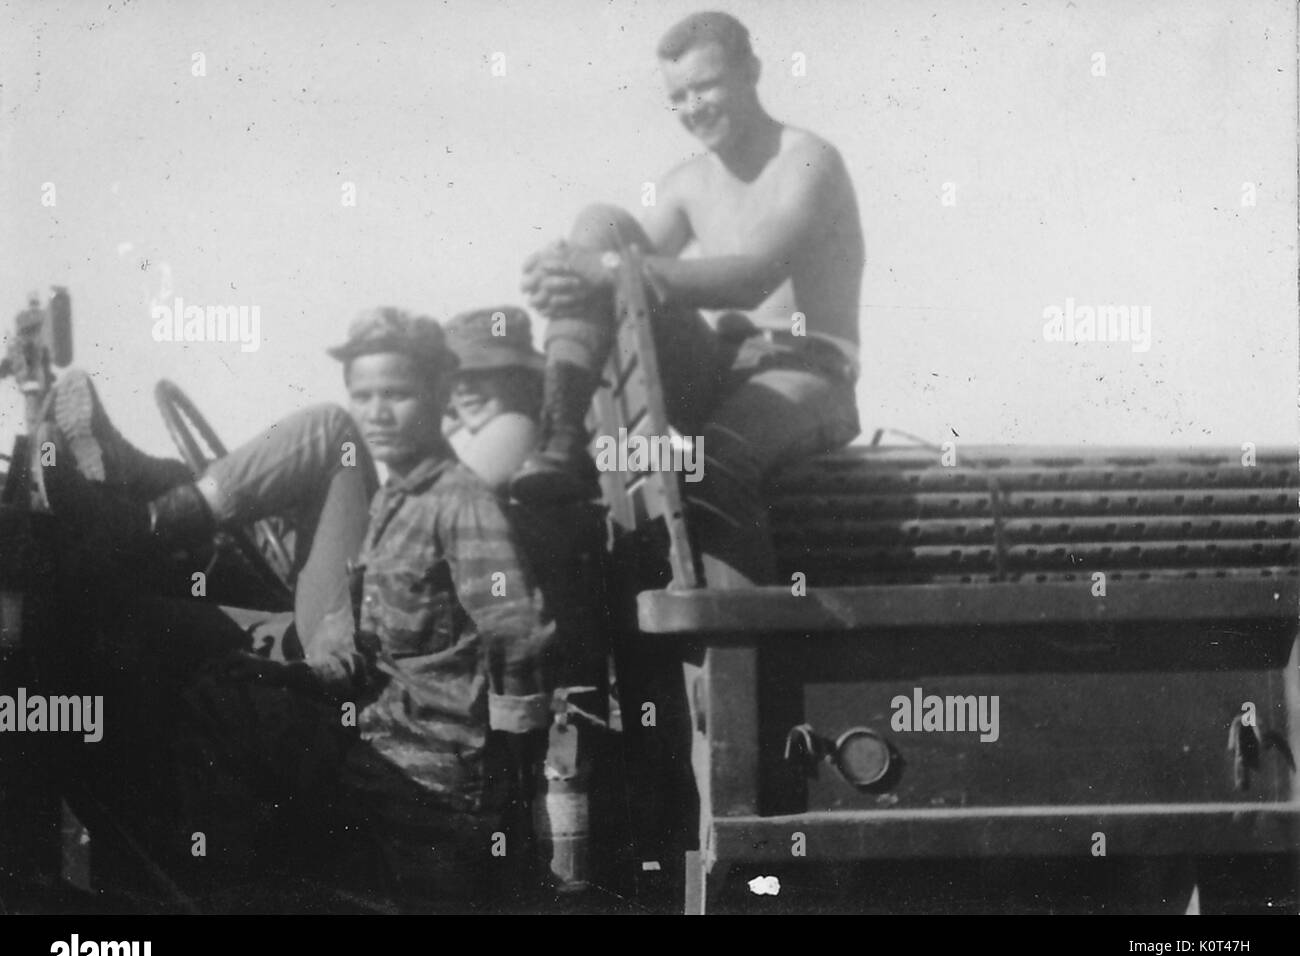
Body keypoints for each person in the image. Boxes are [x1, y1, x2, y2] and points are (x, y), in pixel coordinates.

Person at [40, 308, 559, 910]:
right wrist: (304, 671)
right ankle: (133, 509)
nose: (378, 411)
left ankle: (203, 882)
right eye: (365, 394)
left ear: (437, 391)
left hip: (412, 767)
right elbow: (381, 642)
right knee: (158, 620)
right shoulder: (399, 494)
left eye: (397, 394)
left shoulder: (469, 484)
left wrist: (515, 806)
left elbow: (517, 632)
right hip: (370, 712)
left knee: (328, 437)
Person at [516, 10, 864, 583]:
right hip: (719, 368)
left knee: (714, 461)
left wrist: (598, 269)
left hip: (805, 372)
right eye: (678, 96)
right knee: (599, 221)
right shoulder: (686, 183)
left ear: (751, 71)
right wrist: (565, 276)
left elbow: (752, 277)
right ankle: (559, 440)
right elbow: (616, 274)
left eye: (706, 86)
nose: (693, 107)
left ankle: (743, 651)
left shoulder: (807, 159)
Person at [441, 305, 544, 491]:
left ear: (518, 377)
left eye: (480, 372)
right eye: (455, 377)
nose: (464, 387)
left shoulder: (515, 426)